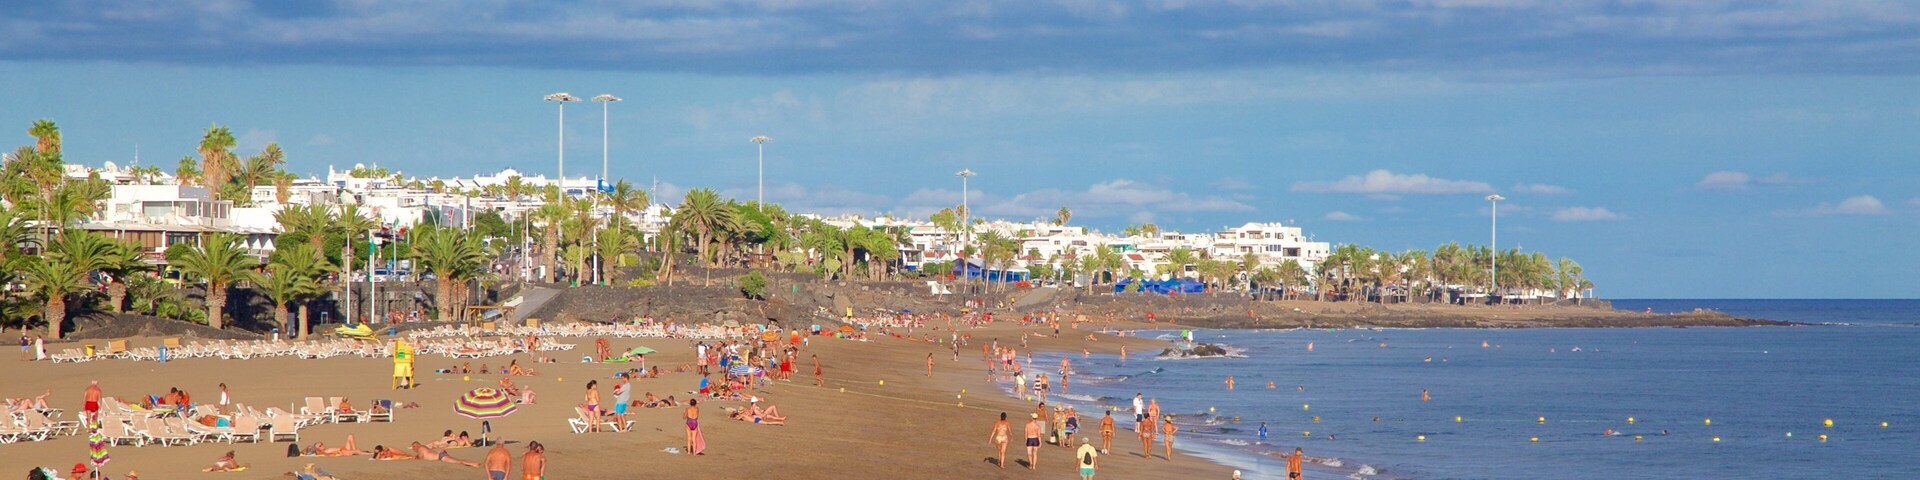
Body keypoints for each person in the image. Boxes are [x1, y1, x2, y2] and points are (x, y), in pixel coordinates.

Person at [406, 441, 479, 467]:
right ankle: (474, 463)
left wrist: (415, 458)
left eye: (414, 447)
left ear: (417, 445)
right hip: (441, 455)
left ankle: (475, 464)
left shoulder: (421, 449)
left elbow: (421, 458)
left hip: (440, 456)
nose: (413, 449)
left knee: (458, 461)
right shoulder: (423, 447)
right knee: (458, 460)